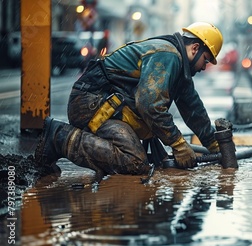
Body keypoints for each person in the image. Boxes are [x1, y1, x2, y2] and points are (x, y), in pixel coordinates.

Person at [34, 22, 223, 179]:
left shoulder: (179, 65)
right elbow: (150, 106)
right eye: (206, 60)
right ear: (195, 48)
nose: (205, 67)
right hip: (90, 104)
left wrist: (215, 146)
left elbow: (193, 108)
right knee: (135, 162)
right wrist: (179, 144)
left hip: (107, 105)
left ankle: (67, 139)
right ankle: (59, 137)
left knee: (147, 158)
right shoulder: (168, 55)